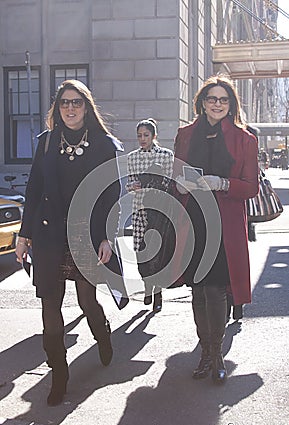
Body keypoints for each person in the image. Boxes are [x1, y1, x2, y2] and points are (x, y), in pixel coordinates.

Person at [15, 79, 125, 406]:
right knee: (50, 302)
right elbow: (34, 189)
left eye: (77, 102)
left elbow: (112, 194)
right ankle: (58, 374)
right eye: (64, 102)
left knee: (86, 300)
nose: (70, 108)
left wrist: (107, 235)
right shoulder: (47, 142)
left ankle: (102, 332)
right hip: (49, 234)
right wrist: (24, 234)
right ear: (57, 107)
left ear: (87, 106)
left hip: (86, 234)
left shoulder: (105, 144)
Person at [173, 75, 259, 384]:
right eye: (212, 99)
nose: (218, 104)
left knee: (216, 288)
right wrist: (181, 183)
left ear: (231, 104)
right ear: (202, 103)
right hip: (193, 219)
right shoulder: (185, 134)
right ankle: (206, 353)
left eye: (224, 99)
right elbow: (175, 174)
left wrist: (222, 183)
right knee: (198, 287)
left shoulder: (245, 139)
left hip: (225, 223)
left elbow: (250, 188)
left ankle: (216, 352)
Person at [126, 118, 174, 312]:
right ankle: (147, 285)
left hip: (160, 210)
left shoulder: (166, 155)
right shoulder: (132, 157)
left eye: (146, 135)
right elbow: (129, 184)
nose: (142, 139)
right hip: (139, 210)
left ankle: (158, 293)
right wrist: (134, 186)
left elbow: (170, 182)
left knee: (159, 253)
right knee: (141, 252)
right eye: (139, 136)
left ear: (154, 136)